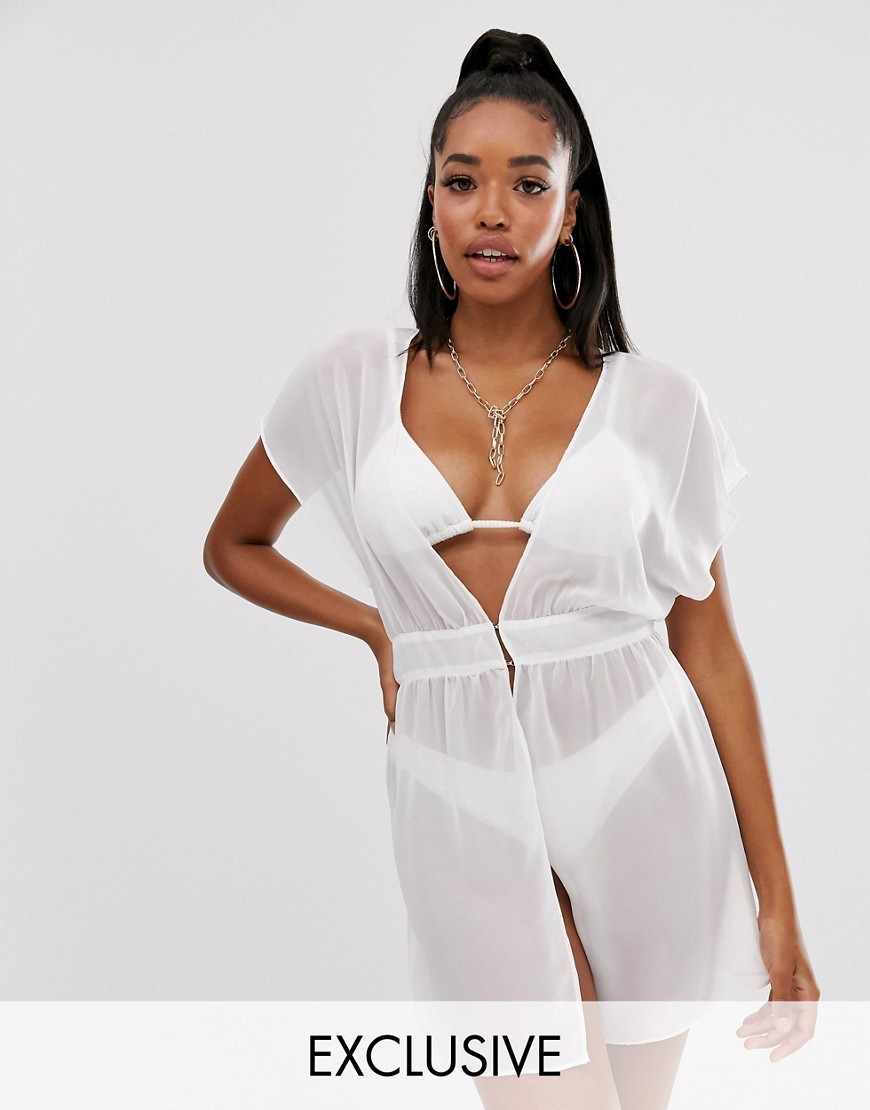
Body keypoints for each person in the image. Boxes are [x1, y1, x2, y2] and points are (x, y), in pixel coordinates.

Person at [203, 27, 820, 1109]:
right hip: (455, 784)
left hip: (641, 775)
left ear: (570, 211)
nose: (492, 211)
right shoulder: (349, 381)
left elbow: (711, 651)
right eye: (463, 181)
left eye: (529, 184)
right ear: (430, 202)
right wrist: (377, 627)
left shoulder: (658, 404)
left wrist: (780, 908)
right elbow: (233, 545)